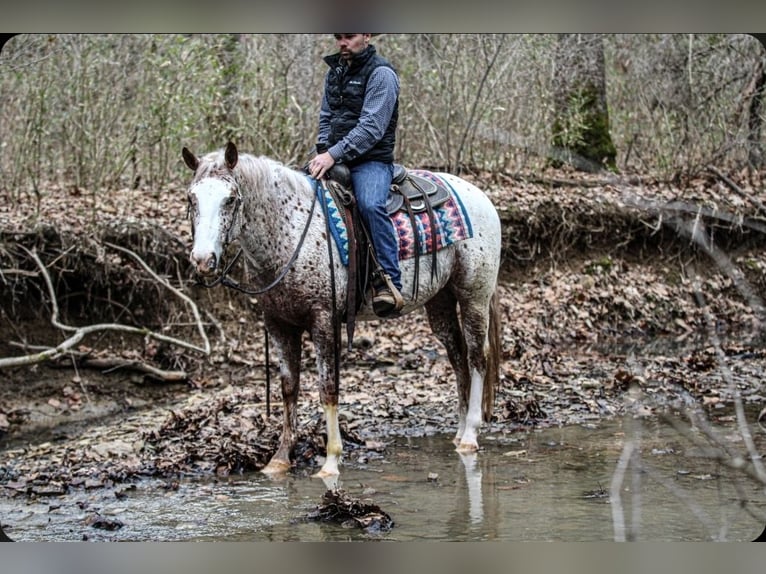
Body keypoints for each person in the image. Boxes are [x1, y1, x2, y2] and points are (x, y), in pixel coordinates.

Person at [308, 33, 404, 317]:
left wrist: (333, 154)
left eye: (349, 36)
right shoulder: (335, 71)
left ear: (367, 35)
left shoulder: (381, 74)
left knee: (371, 205)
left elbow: (372, 128)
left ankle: (389, 282)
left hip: (371, 160)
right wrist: (323, 150)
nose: (342, 43)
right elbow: (327, 116)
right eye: (338, 37)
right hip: (334, 156)